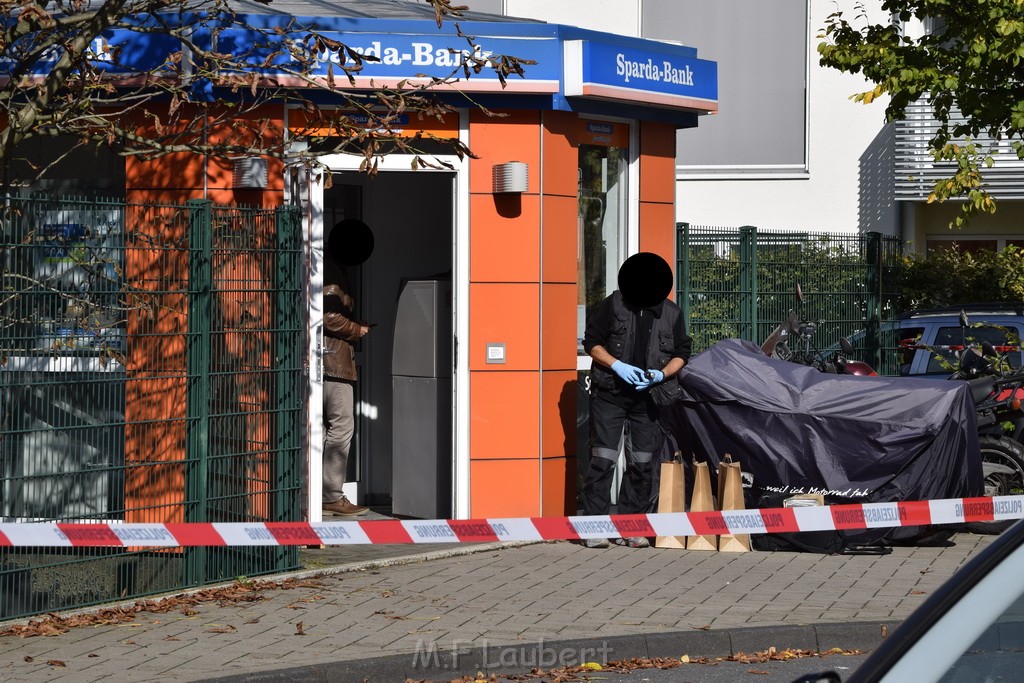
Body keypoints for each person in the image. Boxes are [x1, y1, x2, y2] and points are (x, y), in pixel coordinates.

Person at [581, 252, 692, 548]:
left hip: (648, 399)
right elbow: (591, 342)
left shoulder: (672, 313)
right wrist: (616, 365)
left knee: (642, 464)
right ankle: (593, 527)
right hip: (610, 395)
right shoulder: (614, 304)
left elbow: (683, 352)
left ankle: (630, 527)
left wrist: (660, 375)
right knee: (602, 459)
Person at [321, 219, 375, 517]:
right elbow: (327, 316)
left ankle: (323, 493)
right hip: (333, 364)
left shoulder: (331, 266)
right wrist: (357, 329)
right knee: (341, 428)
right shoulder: (332, 272)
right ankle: (331, 495)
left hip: (329, 361)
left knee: (327, 428)